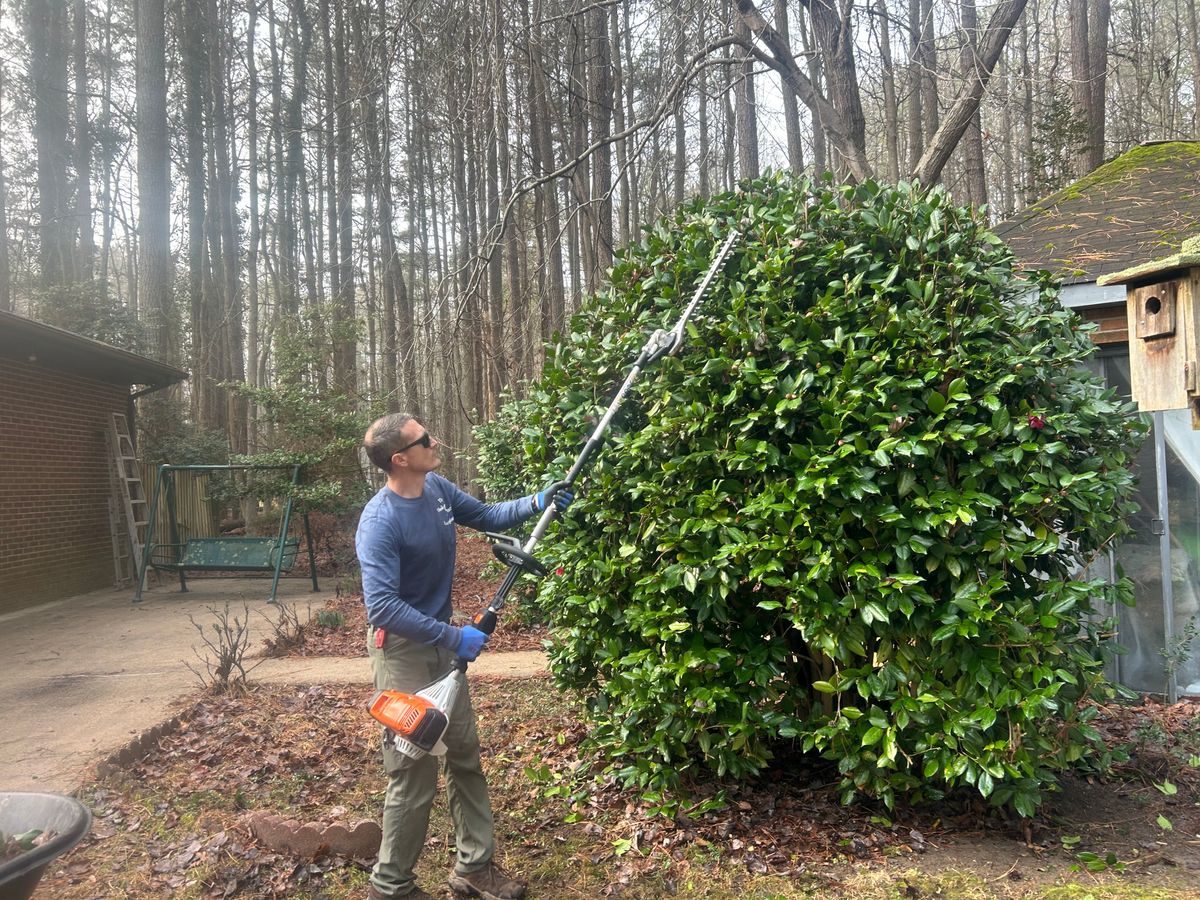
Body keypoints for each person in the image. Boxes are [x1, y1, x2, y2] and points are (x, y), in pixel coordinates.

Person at [356, 412, 571, 900]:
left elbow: (488, 515)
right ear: (400, 458)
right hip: (405, 655)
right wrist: (455, 638)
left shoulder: (436, 490)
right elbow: (383, 608)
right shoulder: (380, 521)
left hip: (441, 644)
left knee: (463, 756)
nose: (436, 441)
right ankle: (391, 887)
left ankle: (474, 869)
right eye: (424, 439)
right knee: (413, 772)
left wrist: (539, 500)